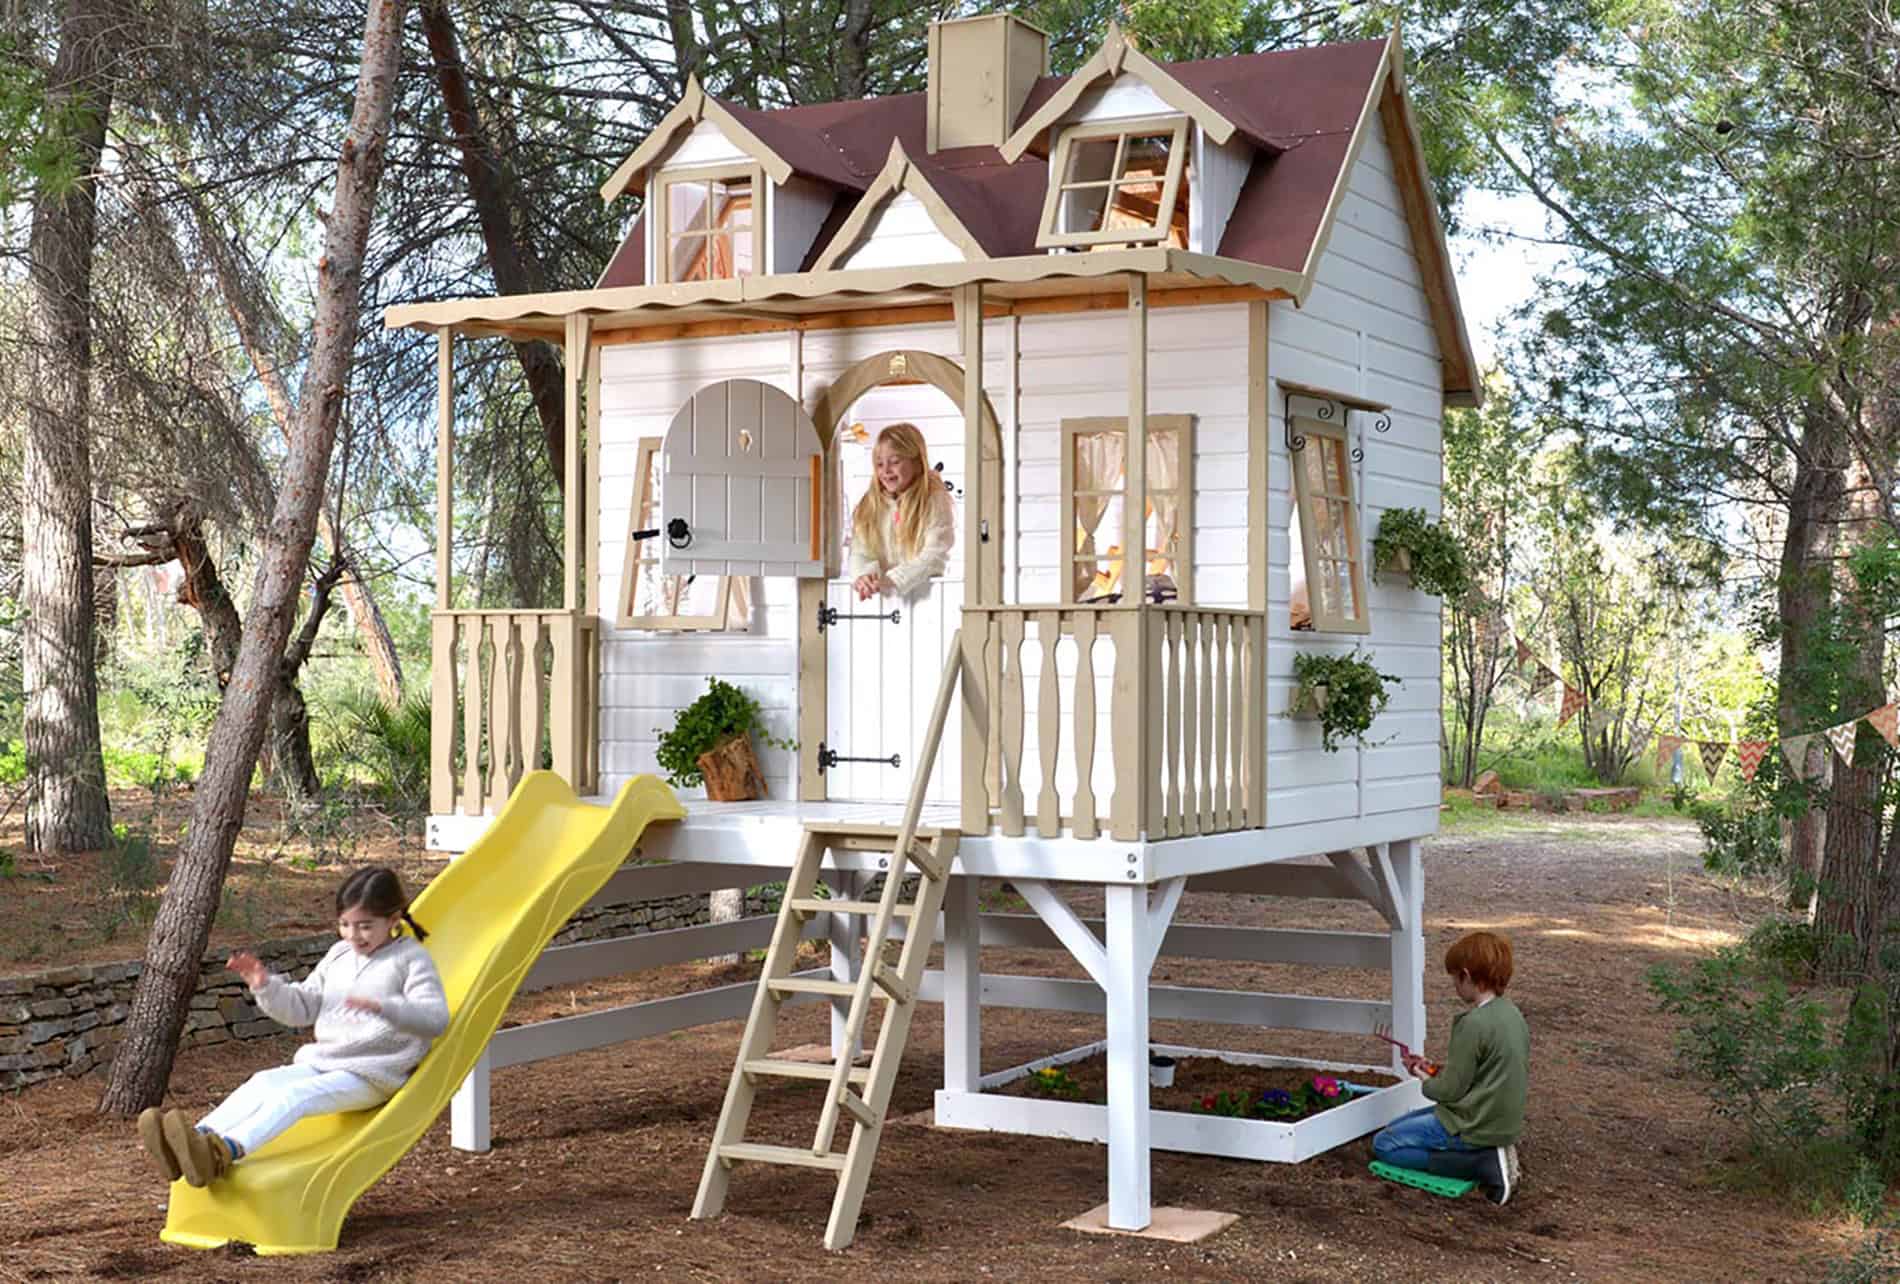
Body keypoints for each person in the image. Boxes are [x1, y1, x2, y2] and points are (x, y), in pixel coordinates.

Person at [137, 867, 450, 1187]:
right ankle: (194, 1142)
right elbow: (303, 1007)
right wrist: (266, 986)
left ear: (394, 919)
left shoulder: (411, 959)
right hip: (325, 1061)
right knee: (264, 1082)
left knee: (296, 1096)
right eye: (345, 925)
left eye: (365, 926)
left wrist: (387, 1008)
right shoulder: (339, 955)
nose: (353, 936)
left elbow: (435, 1018)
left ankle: (222, 1152)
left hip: (372, 1074)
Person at [1371, 930, 1529, 1204]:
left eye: (1455, 978)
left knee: (1385, 1144)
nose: (1455, 986)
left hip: (1474, 1122)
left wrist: (1423, 1077)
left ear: (1467, 976)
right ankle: (1491, 1151)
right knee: (1395, 1126)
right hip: (1498, 1117)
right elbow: (1485, 1068)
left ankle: (1481, 1162)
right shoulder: (1511, 1014)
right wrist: (1438, 1068)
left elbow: (1449, 1091)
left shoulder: (1473, 1024)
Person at [848, 422, 955, 602]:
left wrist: (892, 580)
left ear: (916, 462)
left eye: (895, 462)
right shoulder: (871, 504)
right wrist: (865, 576)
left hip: (927, 600)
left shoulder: (933, 499)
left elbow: (935, 554)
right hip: (880, 598)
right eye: (879, 464)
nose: (886, 471)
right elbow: (861, 551)